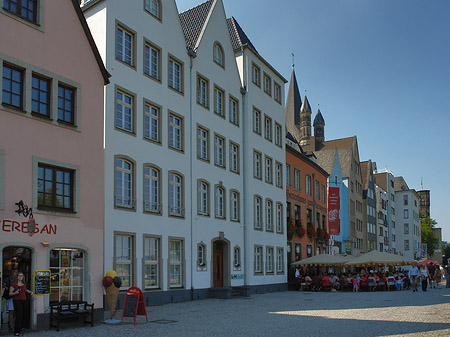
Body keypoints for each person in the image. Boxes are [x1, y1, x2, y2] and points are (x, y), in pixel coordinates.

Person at [9, 272, 33, 336]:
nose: (20, 277)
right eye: (19, 276)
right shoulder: (14, 285)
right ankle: (16, 331)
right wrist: (15, 292)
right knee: (19, 315)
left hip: (24, 300)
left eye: (21, 276)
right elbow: (10, 293)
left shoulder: (23, 284)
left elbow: (25, 290)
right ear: (17, 277)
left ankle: (20, 329)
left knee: (23, 315)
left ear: (23, 277)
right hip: (17, 300)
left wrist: (30, 292)